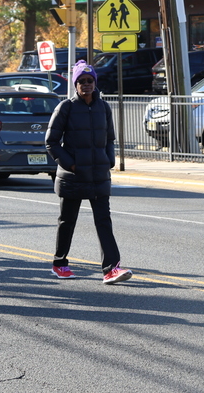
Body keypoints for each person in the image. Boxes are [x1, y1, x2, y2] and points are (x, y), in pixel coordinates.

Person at [45, 61, 133, 285]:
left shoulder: (104, 107)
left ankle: (112, 268)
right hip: (73, 177)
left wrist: (109, 160)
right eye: (82, 81)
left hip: (98, 176)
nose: (86, 85)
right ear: (75, 85)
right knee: (68, 221)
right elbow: (51, 142)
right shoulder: (65, 107)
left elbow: (110, 139)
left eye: (90, 81)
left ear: (95, 83)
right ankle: (60, 264)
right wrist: (72, 165)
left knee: (104, 221)